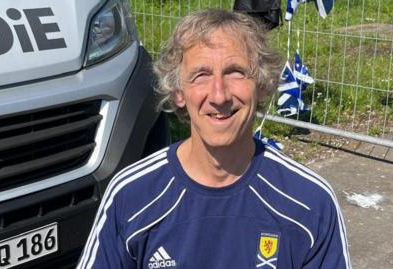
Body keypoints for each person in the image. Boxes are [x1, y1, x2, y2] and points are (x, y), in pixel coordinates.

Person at [77, 8, 351, 269]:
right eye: (201, 75)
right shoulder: (131, 195)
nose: (219, 95)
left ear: (262, 86)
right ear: (178, 92)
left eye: (235, 72)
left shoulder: (311, 203)